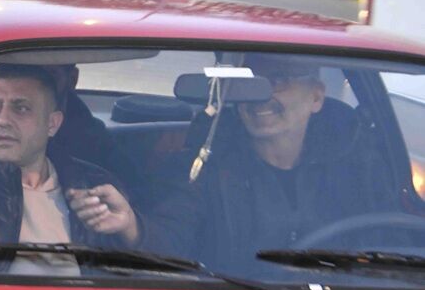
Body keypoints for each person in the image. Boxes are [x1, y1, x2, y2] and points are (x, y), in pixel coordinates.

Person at [165, 54, 398, 266]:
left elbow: (391, 243)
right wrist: (134, 228)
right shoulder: (206, 166)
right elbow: (170, 234)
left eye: (278, 80)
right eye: (251, 83)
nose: (260, 96)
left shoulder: (359, 168)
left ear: (316, 97)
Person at [0, 63, 143, 275]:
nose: (2, 120)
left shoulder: (92, 184)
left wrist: (131, 228)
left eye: (21, 108)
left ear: (52, 124)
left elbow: (147, 273)